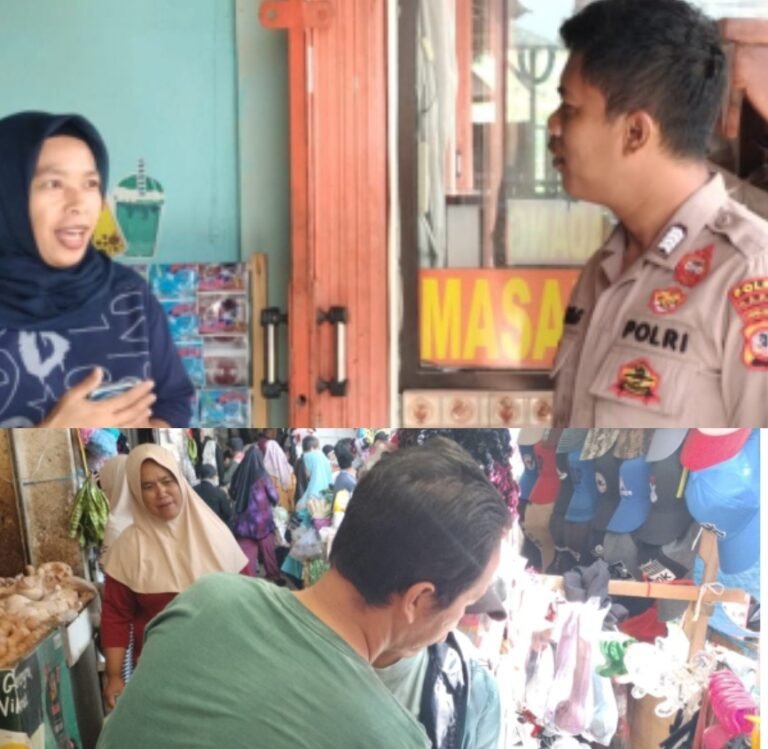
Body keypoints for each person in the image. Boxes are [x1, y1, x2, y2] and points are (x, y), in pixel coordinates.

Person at [95, 437, 512, 749]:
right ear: (418, 599)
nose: (459, 621)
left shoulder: (206, 599)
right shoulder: (391, 739)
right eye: (465, 603)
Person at [548, 0, 768, 427]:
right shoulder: (604, 271)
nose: (553, 125)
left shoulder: (747, 275)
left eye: (570, 110)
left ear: (635, 132)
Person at [0, 111, 194, 427]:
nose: (78, 202)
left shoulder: (129, 295)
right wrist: (52, 435)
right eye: (53, 183)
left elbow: (174, 402)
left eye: (91, 183)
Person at [99, 444, 247, 709]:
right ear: (135, 491)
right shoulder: (128, 548)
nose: (161, 493)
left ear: (180, 481)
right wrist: (113, 676)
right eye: (148, 486)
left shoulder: (217, 535)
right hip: (159, 677)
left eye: (167, 481)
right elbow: (116, 615)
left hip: (225, 671)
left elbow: (251, 602)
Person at [229, 446, 282, 582]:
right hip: (262, 523)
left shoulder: (239, 473)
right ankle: (273, 575)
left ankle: (248, 581)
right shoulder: (263, 477)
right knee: (268, 552)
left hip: (243, 523)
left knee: (247, 556)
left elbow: (232, 493)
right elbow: (274, 496)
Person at [281, 447, 334, 584]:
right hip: (319, 545)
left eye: (307, 467)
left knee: (301, 577)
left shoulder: (313, 492)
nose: (305, 471)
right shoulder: (330, 485)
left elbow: (305, 517)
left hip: (309, 544)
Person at [263, 435, 295, 512]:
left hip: (273, 508)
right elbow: (292, 488)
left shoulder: (265, 469)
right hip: (287, 505)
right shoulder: (289, 469)